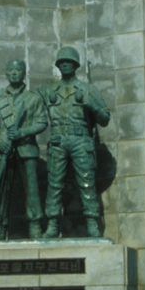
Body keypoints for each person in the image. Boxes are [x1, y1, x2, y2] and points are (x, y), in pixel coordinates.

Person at [40, 46, 110, 239]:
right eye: (61, 62)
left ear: (76, 65)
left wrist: (91, 103)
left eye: (68, 62)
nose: (65, 64)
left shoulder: (88, 89)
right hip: (58, 140)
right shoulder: (49, 91)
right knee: (54, 184)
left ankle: (92, 224)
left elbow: (104, 119)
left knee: (87, 184)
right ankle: (53, 224)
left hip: (81, 140)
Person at [0, 58, 48, 241]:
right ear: (6, 73)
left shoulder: (33, 99)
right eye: (11, 70)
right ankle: (0, 227)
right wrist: (0, 141)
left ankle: (35, 225)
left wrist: (22, 132)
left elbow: (42, 122)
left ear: (24, 73)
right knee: (1, 191)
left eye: (18, 70)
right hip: (4, 151)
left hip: (27, 150)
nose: (14, 73)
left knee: (32, 191)